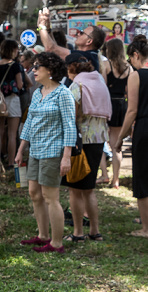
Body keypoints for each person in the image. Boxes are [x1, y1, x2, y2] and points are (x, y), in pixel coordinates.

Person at [14, 52, 76, 253]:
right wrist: (21, 149)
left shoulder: (63, 93)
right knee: (34, 193)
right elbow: (30, 122)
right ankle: (43, 236)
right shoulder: (38, 92)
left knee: (51, 197)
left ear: (50, 70)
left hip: (53, 151)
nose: (33, 70)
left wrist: (66, 156)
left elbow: (69, 126)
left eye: (37, 67)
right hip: (35, 151)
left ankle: (57, 243)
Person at [61, 54, 110, 243]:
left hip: (80, 141)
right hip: (99, 140)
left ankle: (78, 232)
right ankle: (95, 231)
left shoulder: (77, 84)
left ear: (72, 68)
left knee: (75, 188)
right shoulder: (99, 81)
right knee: (89, 189)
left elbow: (70, 116)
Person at [114, 36, 148, 237]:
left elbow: (132, 111)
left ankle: (146, 228)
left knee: (143, 178)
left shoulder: (136, 76)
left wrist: (120, 138)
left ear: (136, 55)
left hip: (144, 127)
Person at [98, 38, 132, 188]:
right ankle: (116, 180)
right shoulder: (128, 68)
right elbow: (128, 91)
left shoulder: (106, 65)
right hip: (121, 106)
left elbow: (103, 88)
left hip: (107, 104)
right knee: (117, 145)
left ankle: (104, 174)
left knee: (99, 141)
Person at [38, 7, 106, 77]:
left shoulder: (86, 57)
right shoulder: (89, 55)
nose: (78, 34)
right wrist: (48, 29)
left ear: (89, 41)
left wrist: (41, 26)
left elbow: (51, 49)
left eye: (82, 33)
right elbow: (55, 51)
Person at [0, 39, 25, 168]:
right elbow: (19, 84)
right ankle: (11, 162)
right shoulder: (14, 65)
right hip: (12, 99)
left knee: (0, 131)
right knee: (12, 134)